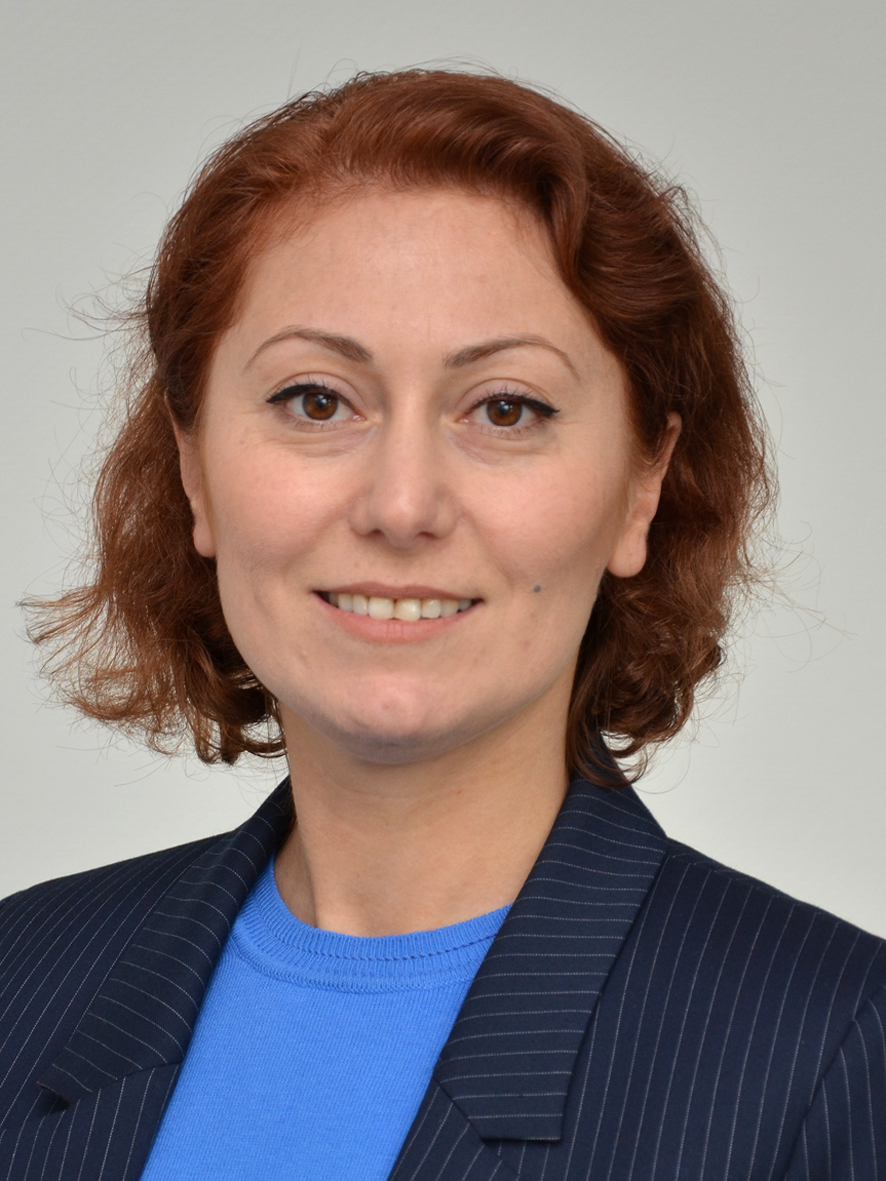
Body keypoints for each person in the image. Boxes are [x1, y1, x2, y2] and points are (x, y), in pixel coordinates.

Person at [1, 69, 883, 1181]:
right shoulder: (20, 982)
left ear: (642, 483)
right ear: (194, 468)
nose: (402, 504)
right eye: (316, 399)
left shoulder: (833, 1051)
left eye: (505, 408)